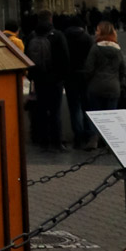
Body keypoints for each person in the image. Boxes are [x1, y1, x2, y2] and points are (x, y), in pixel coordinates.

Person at [26, 12, 69, 150]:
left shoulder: (32, 36)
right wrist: (62, 77)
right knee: (55, 111)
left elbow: (27, 58)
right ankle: (57, 141)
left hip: (39, 80)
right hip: (55, 80)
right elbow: (65, 58)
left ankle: (43, 141)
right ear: (51, 19)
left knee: (42, 110)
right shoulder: (57, 35)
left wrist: (32, 76)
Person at [83, 20, 126, 114]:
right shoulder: (117, 50)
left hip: (96, 88)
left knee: (97, 119)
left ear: (102, 32)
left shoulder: (95, 48)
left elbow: (88, 69)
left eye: (97, 30)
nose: (95, 32)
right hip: (113, 88)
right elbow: (123, 71)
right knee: (111, 119)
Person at [62, 15, 95, 149]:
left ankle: (78, 136)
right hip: (85, 76)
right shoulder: (87, 38)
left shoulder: (64, 37)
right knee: (87, 106)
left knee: (74, 107)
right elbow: (91, 58)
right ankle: (89, 135)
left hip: (70, 76)